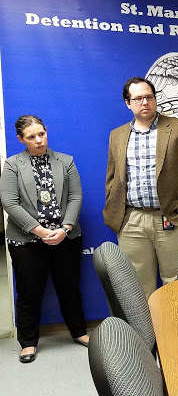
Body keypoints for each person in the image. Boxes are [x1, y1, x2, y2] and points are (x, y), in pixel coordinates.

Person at [104, 77, 178, 299]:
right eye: (138, 98)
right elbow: (113, 177)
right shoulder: (118, 135)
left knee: (177, 282)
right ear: (127, 103)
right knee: (138, 286)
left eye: (149, 97)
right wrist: (116, 212)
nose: (145, 102)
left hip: (172, 217)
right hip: (131, 220)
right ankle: (148, 334)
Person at [0, 115, 89, 363]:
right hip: (26, 241)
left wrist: (65, 228)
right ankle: (28, 342)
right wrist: (39, 230)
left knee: (70, 289)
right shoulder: (12, 165)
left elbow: (75, 196)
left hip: (66, 237)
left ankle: (79, 332)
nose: (38, 140)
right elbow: (9, 202)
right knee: (29, 292)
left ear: (46, 131)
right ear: (21, 139)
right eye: (31, 137)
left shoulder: (65, 161)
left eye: (41, 134)